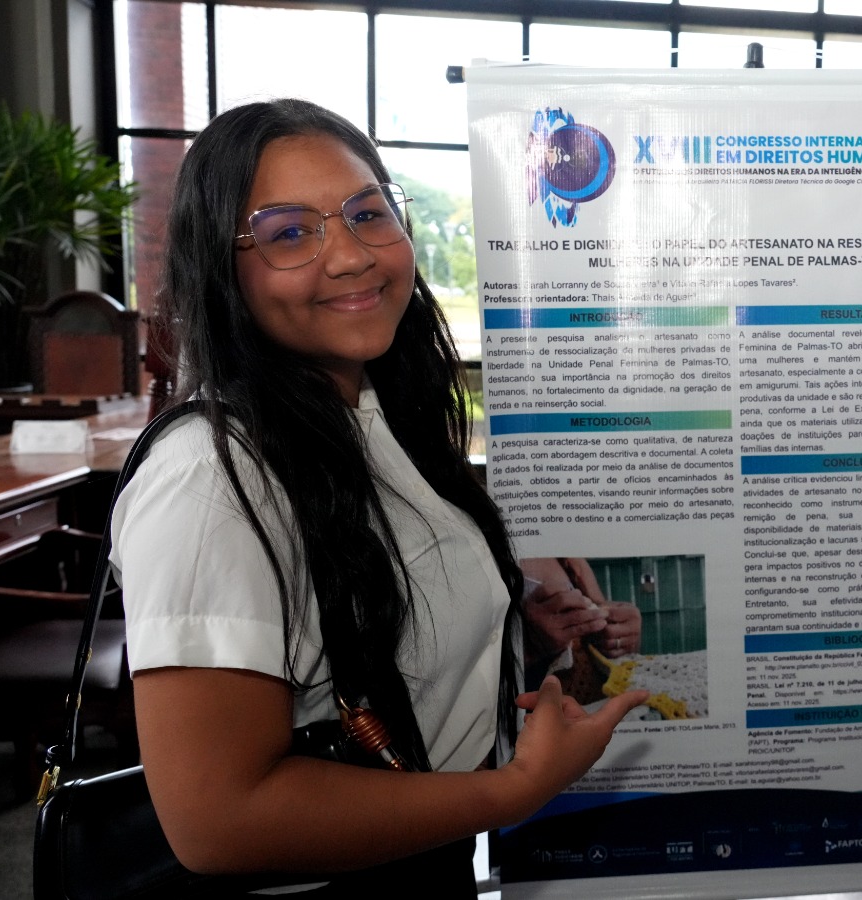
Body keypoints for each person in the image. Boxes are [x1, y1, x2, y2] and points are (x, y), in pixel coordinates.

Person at [111, 98, 645, 893]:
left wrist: (519, 633)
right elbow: (218, 821)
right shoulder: (212, 479)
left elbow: (369, 642)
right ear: (222, 269)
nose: (352, 256)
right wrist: (515, 791)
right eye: (290, 232)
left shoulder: (376, 419)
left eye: (368, 214)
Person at [520, 556, 643, 703]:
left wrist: (621, 639)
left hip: (599, 705)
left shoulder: (569, 560)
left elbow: (601, 643)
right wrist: (527, 648)